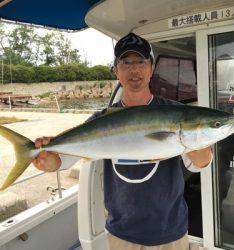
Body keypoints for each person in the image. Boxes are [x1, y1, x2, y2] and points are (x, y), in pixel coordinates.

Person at [33, 33, 212, 250]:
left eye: (141, 62)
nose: (134, 70)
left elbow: (200, 163)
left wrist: (198, 140)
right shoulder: (101, 119)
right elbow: (60, 160)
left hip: (170, 233)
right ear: (116, 70)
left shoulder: (176, 113)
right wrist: (46, 159)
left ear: (151, 67)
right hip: (121, 234)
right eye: (126, 63)